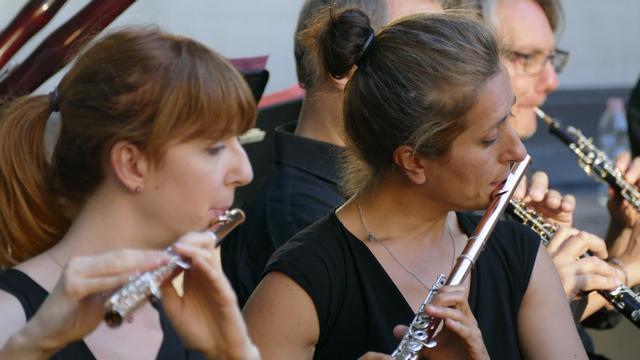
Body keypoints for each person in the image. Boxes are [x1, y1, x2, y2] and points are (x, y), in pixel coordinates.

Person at [244, 9, 586, 359]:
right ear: (414, 160)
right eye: (489, 138)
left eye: (509, 117)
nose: (517, 150)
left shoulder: (522, 255)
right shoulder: (301, 284)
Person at [0, 28, 259, 359]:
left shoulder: (182, 301)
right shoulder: (10, 321)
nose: (245, 172)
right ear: (132, 165)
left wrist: (232, 351)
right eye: (214, 148)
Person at [222, 0, 443, 307]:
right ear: (343, 62)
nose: (451, 84)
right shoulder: (300, 221)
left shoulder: (379, 191)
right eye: (423, 58)